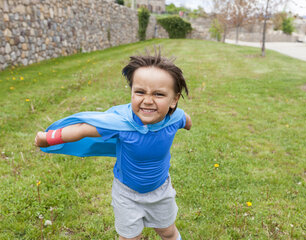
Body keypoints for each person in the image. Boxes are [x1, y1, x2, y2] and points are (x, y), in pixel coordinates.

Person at [35, 50, 192, 240]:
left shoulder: (175, 119)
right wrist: (49, 138)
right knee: (129, 237)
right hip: (127, 193)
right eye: (140, 92)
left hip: (160, 190)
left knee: (167, 232)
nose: (148, 100)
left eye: (159, 94)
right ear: (132, 92)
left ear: (174, 100)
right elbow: (83, 129)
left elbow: (185, 119)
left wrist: (187, 125)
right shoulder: (121, 125)